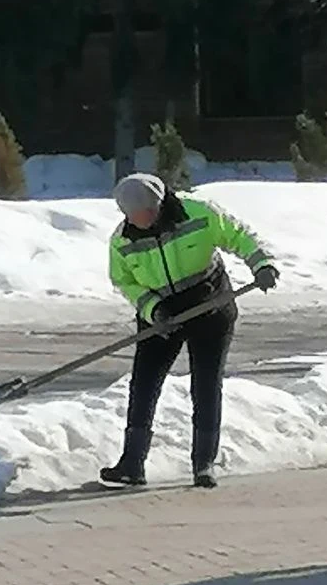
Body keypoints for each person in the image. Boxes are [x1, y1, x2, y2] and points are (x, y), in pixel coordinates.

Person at [101, 172, 279, 489]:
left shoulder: (198, 213)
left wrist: (261, 263)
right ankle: (132, 463)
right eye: (134, 216)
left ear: (159, 203)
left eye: (147, 213)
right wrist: (153, 309)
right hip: (161, 312)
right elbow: (124, 281)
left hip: (209, 303)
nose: (141, 221)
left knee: (206, 384)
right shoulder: (123, 242)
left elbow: (238, 234)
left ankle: (204, 464)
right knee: (143, 384)